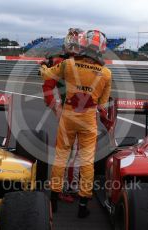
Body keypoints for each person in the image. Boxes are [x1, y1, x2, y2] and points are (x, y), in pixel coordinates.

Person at [40, 29, 112, 218]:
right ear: (102, 49)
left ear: (83, 45)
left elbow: (46, 76)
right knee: (87, 161)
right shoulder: (106, 73)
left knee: (61, 156)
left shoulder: (68, 63)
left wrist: (42, 68)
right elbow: (102, 105)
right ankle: (82, 204)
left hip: (68, 115)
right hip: (88, 118)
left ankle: (53, 200)